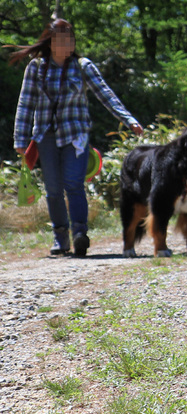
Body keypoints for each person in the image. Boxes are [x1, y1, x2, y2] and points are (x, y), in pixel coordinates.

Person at [9, 18, 143, 257]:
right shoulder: (36, 67)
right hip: (45, 135)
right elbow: (25, 104)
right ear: (50, 42)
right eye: (62, 39)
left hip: (76, 136)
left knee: (73, 184)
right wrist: (20, 139)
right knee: (52, 188)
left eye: (70, 39)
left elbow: (106, 95)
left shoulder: (83, 66)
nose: (67, 44)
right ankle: (60, 237)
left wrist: (128, 119)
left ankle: (80, 234)